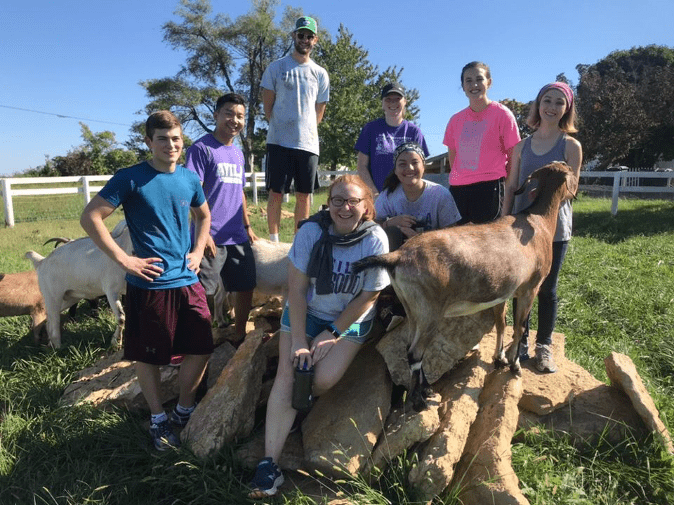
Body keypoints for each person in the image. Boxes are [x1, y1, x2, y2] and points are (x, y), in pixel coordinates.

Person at [248, 175, 389, 498]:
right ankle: (269, 466)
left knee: (319, 379)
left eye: (353, 201)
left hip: (349, 319)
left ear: (366, 207)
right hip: (307, 311)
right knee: (290, 371)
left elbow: (369, 294)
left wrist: (333, 332)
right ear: (329, 204)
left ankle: (295, 412)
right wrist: (300, 340)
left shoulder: (375, 239)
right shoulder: (311, 232)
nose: (345, 207)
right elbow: (296, 289)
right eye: (338, 200)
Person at [80, 111, 214, 451]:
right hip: (150, 284)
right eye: (162, 139)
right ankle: (157, 419)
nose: (171, 145)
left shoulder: (188, 178)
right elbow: (90, 216)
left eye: (176, 139)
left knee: (200, 348)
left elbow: (204, 215)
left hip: (187, 280)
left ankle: (184, 409)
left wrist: (198, 250)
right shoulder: (130, 178)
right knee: (151, 356)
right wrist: (124, 259)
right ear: (148, 142)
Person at [501, 82, 583, 373]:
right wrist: (503, 219)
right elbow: (511, 185)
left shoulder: (570, 146)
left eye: (559, 102)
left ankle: (544, 346)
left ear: (567, 109)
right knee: (519, 285)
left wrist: (548, 191)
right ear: (537, 105)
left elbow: (572, 188)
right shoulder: (521, 146)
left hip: (554, 229)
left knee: (547, 288)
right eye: (546, 100)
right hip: (519, 228)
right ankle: (520, 341)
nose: (551, 107)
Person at [185, 93, 258, 344]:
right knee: (204, 290)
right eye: (229, 113)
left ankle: (239, 335)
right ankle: (201, 339)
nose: (234, 120)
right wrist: (202, 235)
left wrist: (247, 225)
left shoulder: (237, 154)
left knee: (246, 285)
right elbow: (192, 193)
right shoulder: (200, 149)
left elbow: (239, 192)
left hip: (236, 233)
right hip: (210, 235)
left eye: (240, 116)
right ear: (216, 115)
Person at [261, 15, 330, 242]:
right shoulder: (276, 68)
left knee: (304, 195)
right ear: (294, 36)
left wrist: (305, 129)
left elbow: (318, 113)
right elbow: (268, 108)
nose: (305, 40)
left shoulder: (320, 74)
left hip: (308, 144)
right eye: (301, 35)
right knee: (276, 193)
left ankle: (300, 241)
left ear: (315, 40)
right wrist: (283, 128)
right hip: (279, 141)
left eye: (309, 36)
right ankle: (274, 240)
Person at [443, 61, 521, 224]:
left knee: (485, 245)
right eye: (468, 81)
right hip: (458, 191)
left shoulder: (503, 115)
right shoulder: (455, 120)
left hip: (490, 188)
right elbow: (453, 158)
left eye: (479, 79)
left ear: (489, 82)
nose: (474, 85)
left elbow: (514, 155)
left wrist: (508, 188)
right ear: (463, 86)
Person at [376, 142, 461, 251]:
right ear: (395, 170)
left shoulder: (440, 194)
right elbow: (371, 225)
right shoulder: (388, 195)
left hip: (433, 253)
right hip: (396, 255)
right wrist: (389, 223)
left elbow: (452, 234)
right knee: (391, 233)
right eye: (402, 164)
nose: (410, 168)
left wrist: (419, 239)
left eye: (415, 162)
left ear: (423, 166)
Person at [355, 83, 429, 196]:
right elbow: (361, 166)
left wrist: (412, 194)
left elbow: (421, 167)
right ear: (382, 104)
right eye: (388, 99)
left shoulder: (414, 132)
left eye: (397, 99)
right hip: (376, 196)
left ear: (405, 102)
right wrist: (374, 193)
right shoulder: (370, 129)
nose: (393, 103)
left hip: (407, 197)